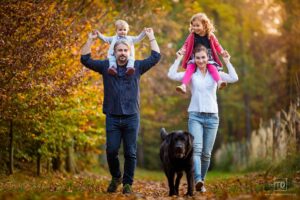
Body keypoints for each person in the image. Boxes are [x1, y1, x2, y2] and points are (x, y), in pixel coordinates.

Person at [80, 28, 160, 194]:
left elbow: (155, 57)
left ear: (129, 52)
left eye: (125, 50)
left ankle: (127, 184)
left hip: (132, 116)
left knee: (130, 152)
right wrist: (90, 40)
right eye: (119, 50)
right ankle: (116, 176)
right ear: (114, 52)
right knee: (111, 150)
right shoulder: (106, 66)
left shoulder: (137, 66)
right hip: (112, 116)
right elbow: (85, 59)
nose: (122, 53)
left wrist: (151, 37)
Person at [167, 46, 238, 192]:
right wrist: (178, 58)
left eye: (203, 57)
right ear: (194, 58)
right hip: (195, 116)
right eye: (198, 58)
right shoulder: (191, 73)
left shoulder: (215, 73)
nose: (200, 60)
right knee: (197, 150)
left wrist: (227, 61)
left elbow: (234, 78)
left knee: (206, 153)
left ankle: (201, 182)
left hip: (213, 117)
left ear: (208, 58)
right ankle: (197, 178)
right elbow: (171, 75)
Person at [176, 13, 228, 94]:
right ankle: (183, 86)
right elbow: (186, 44)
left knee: (212, 67)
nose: (195, 28)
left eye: (197, 25)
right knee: (190, 67)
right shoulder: (192, 36)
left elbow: (217, 45)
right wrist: (182, 50)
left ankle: (219, 82)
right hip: (195, 56)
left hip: (208, 56)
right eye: (193, 25)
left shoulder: (210, 36)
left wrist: (222, 52)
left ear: (205, 25)